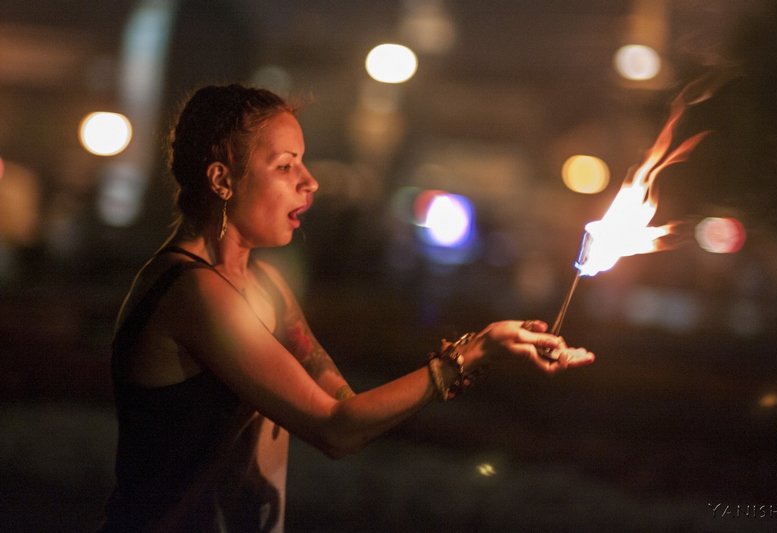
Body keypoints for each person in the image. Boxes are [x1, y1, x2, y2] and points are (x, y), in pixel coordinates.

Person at [97, 84, 595, 532]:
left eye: (304, 162)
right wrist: (476, 351)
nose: (310, 182)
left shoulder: (264, 284)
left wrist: (487, 348)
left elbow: (351, 408)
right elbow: (336, 429)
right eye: (285, 166)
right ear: (222, 179)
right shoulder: (195, 294)